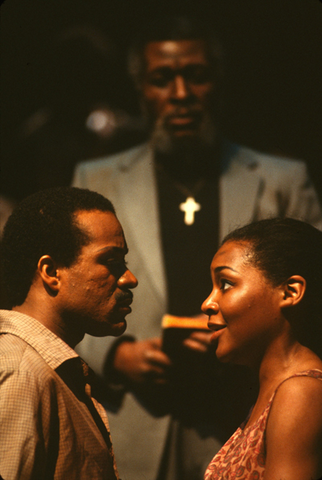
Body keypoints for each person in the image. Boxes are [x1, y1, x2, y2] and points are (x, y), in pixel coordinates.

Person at [72, 14, 322, 480]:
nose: (181, 94)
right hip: (140, 424)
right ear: (141, 90)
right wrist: (116, 356)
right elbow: (67, 290)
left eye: (198, 75)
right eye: (163, 79)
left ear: (219, 83)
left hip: (249, 407)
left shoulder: (282, 178)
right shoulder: (98, 178)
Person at [0, 186, 138, 479]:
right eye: (111, 263)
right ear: (51, 272)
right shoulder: (21, 372)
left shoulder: (50, 370)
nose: (130, 278)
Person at [202, 217, 322, 480]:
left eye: (225, 284)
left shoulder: (300, 393)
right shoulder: (273, 391)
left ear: (290, 292)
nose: (207, 303)